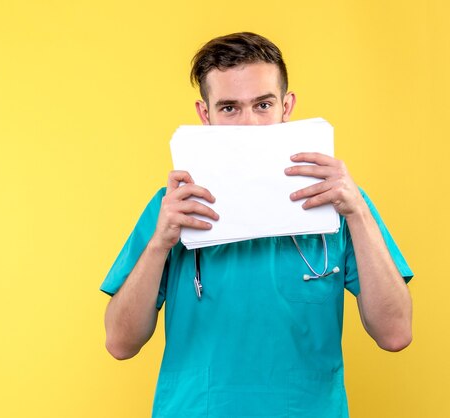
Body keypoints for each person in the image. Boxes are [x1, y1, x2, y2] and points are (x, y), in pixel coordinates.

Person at [101, 32, 414, 417]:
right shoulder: (174, 208)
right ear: (206, 115)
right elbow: (119, 343)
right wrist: (159, 244)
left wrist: (358, 213)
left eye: (263, 105)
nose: (249, 124)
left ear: (287, 106)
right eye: (230, 108)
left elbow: (395, 333)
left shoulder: (340, 203)